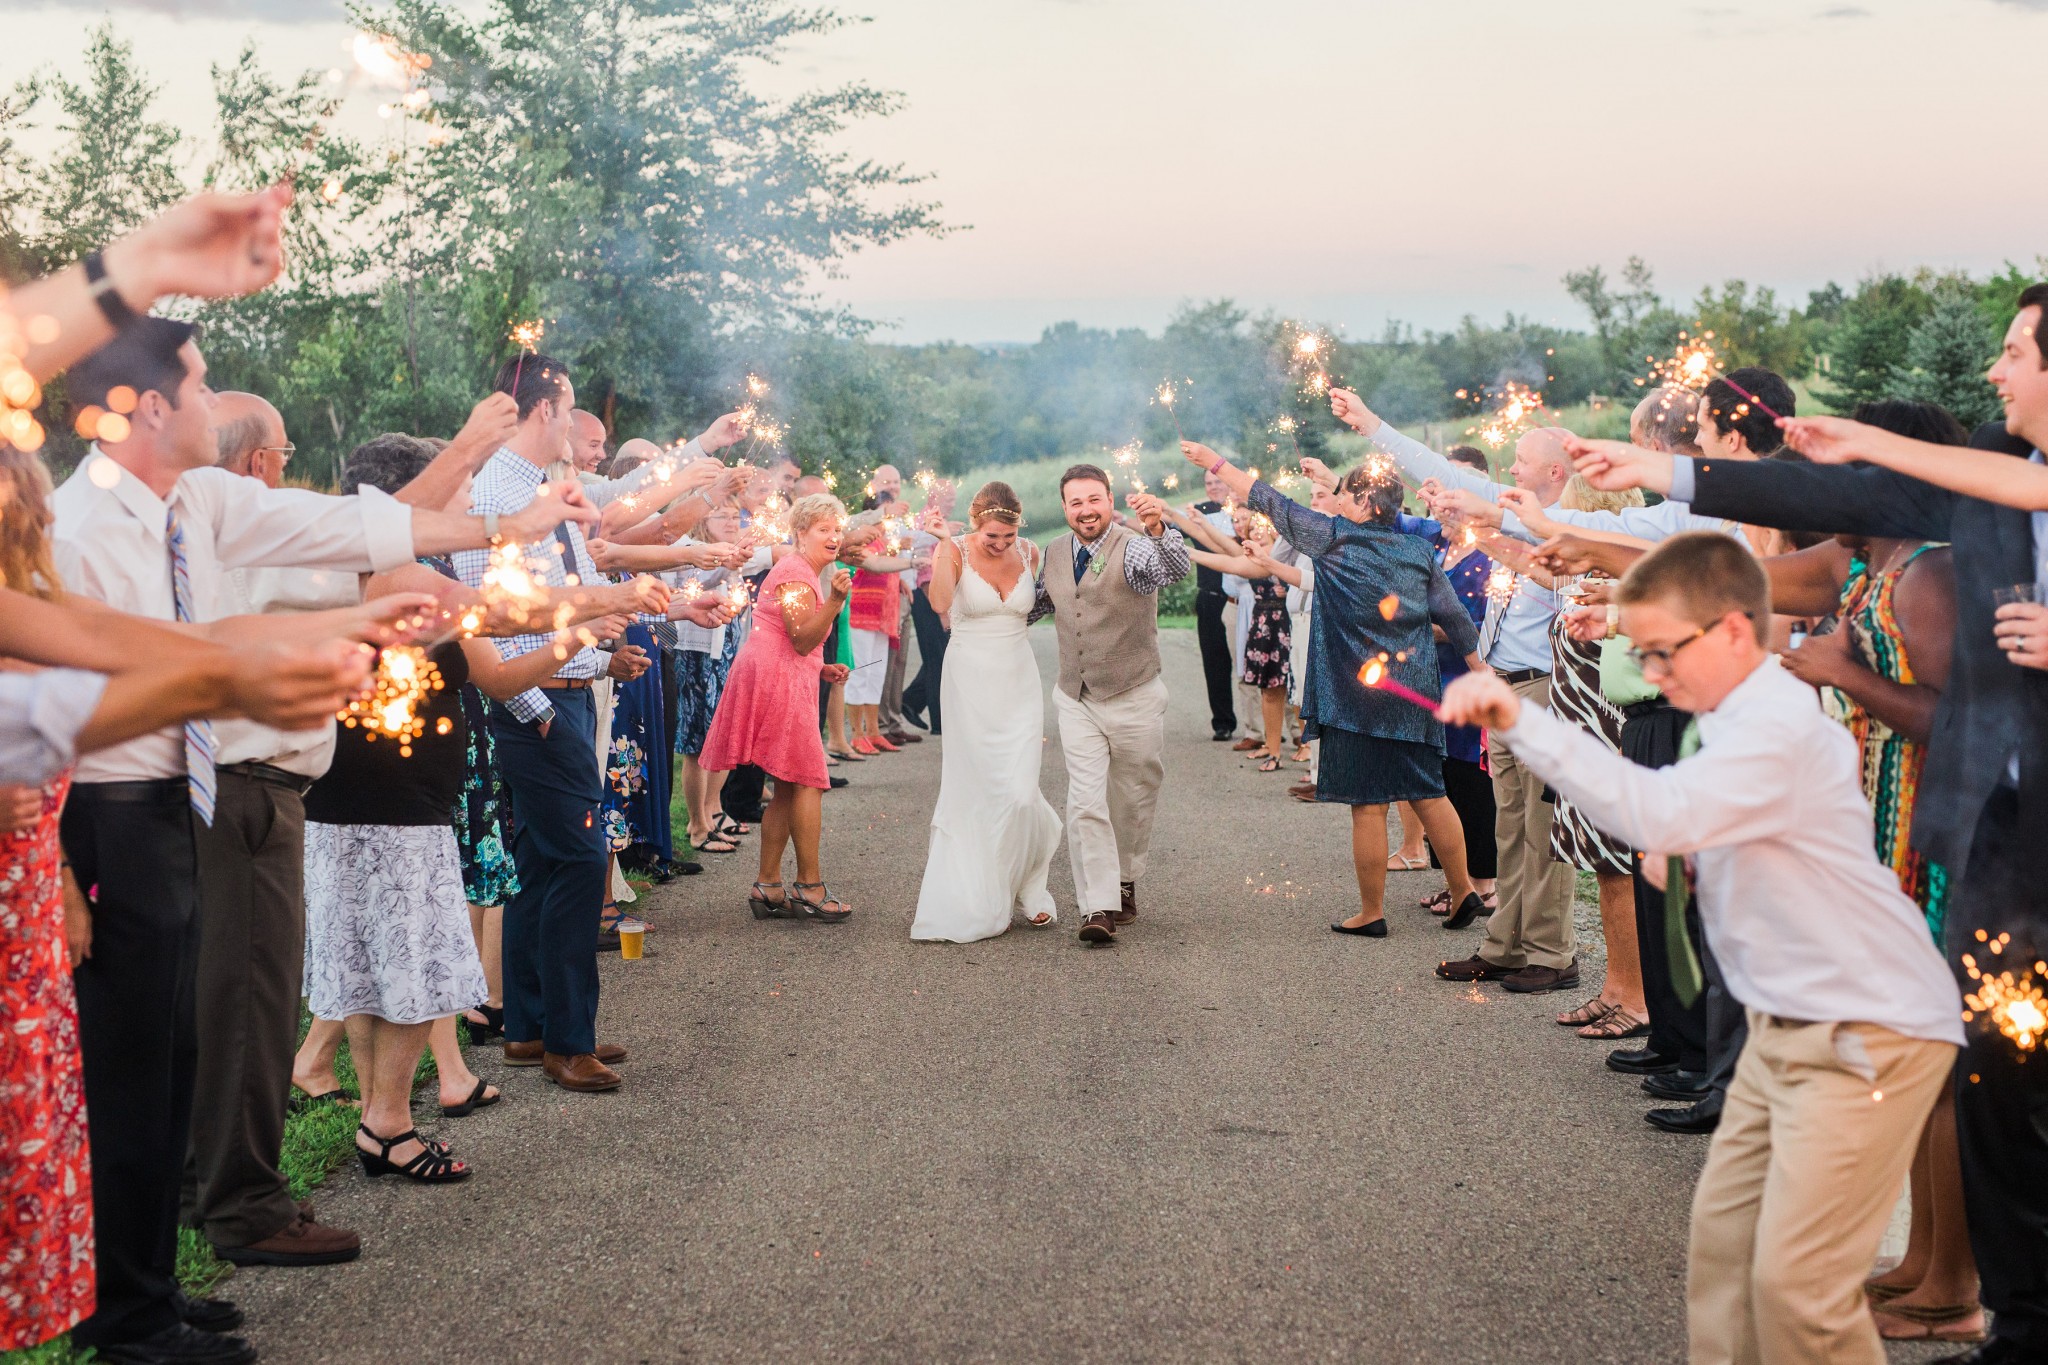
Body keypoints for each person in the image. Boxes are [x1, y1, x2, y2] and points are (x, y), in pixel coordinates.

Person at [52, 315, 586, 1365]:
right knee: (130, 1063)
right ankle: (123, 1323)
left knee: (180, 1052)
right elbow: (106, 683)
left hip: (183, 800)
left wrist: (499, 524)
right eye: (200, 388)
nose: (213, 405)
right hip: (111, 808)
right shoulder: (81, 528)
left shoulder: (197, 499)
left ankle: (151, 1287)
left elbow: (346, 533)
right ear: (148, 408)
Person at [1569, 286, 2048, 1365]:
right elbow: (1840, 504)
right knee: (1992, 1092)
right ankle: (2008, 1323)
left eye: (2014, 351)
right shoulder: (1994, 486)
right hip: (2000, 838)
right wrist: (1659, 473)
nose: (1992, 371)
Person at [1440, 532, 1963, 1365]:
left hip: (1869, 1029)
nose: (1651, 675)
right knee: (1724, 1253)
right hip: (1787, 1022)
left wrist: (1521, 722)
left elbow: (1663, 814)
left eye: (1660, 652)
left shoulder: (1778, 723)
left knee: (1802, 1293)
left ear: (1730, 632)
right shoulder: (1725, 721)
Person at [1764, 399, 1980, 1345]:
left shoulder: (1929, 573)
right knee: (1915, 1069)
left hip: (1932, 839)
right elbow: (1756, 577)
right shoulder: (1873, 564)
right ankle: (1924, 1261)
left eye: (1844, 470)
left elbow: (1952, 716)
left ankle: (1955, 1283)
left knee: (1941, 1066)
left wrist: (1841, 675)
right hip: (1883, 829)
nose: (1823, 492)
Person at [1330, 388, 1580, 989]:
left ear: (1556, 472)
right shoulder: (1515, 509)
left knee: (1544, 832)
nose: (1510, 469)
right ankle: (1505, 946)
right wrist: (1372, 424)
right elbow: (1440, 473)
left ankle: (1552, 955)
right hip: (1506, 687)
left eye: (1520, 461)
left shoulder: (1569, 524)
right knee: (1510, 825)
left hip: (1546, 687)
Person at [1187, 442, 1488, 935]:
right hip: (1415, 695)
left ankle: (1371, 913)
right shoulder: (1417, 550)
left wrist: (1215, 464)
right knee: (1431, 793)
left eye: (1345, 494)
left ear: (1367, 505)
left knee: (1368, 805)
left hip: (1358, 699)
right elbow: (1454, 617)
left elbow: (1268, 499)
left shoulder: (1332, 537)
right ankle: (1463, 894)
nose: (1338, 500)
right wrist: (1480, 669)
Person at [1025, 464, 1191, 943]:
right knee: (1085, 800)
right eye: (1075, 502)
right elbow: (1033, 607)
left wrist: (1159, 528)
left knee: (1133, 796)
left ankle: (1125, 876)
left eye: (1094, 499)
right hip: (1077, 697)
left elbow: (1172, 569)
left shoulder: (1134, 544)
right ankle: (1098, 907)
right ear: (1064, 508)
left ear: (1110, 500)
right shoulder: (1055, 552)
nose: (1086, 510)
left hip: (1134, 693)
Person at [909, 483, 1061, 942]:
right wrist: (939, 545)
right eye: (992, 536)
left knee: (1019, 791)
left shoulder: (1032, 553)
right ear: (976, 524)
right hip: (967, 680)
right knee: (975, 790)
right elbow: (939, 604)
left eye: (1008, 537)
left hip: (1018, 680)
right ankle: (991, 893)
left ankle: (1028, 880)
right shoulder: (953, 550)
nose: (999, 545)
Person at [701, 492, 857, 922]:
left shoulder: (807, 570)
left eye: (837, 529)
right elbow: (800, 637)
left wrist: (822, 669)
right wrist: (835, 603)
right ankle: (810, 885)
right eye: (823, 529)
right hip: (775, 679)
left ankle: (768, 885)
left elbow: (800, 642)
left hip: (786, 673)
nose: (833, 537)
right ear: (801, 533)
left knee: (789, 784)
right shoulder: (792, 572)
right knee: (808, 780)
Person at [901, 477, 957, 735]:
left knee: (940, 656)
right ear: (934, 498)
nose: (952, 502)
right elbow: (926, 572)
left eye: (953, 498)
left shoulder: (939, 521)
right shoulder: (926, 522)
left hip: (937, 597)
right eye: (948, 498)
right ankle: (939, 722)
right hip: (928, 598)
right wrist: (942, 611)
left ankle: (910, 701)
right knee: (937, 659)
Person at [1191, 466, 1240, 741]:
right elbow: (1167, 527)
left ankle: (1261, 726)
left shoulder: (1243, 511)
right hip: (1210, 598)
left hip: (1243, 597)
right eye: (1208, 483)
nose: (1213, 486)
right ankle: (1223, 722)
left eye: (1217, 481)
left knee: (1249, 664)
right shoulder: (1200, 511)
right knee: (1215, 662)